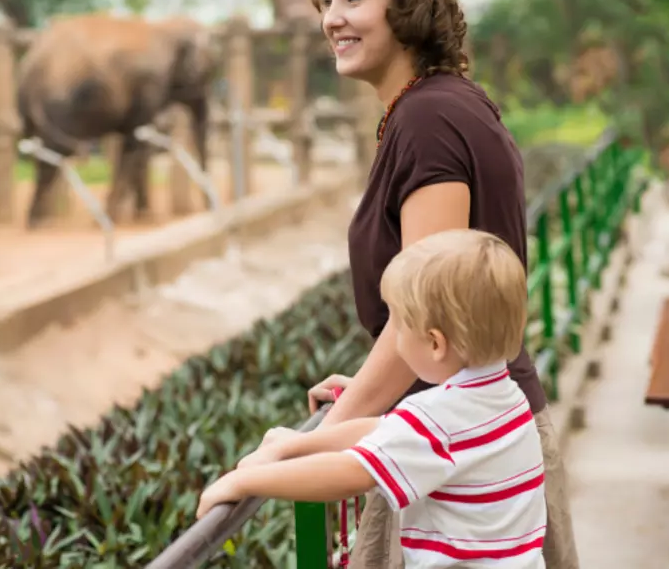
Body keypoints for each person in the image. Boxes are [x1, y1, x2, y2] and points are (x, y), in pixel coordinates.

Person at [265, 0, 578, 568]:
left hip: (458, 460)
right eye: (326, 0)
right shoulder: (445, 106)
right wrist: (376, 397)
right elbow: (440, 328)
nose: (333, 19)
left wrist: (332, 434)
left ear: (408, 5)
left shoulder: (428, 120)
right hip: (472, 431)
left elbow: (427, 309)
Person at [197, 229, 548, 568]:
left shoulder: (438, 417)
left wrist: (242, 482)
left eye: (398, 322)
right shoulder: (504, 397)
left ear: (435, 343)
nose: (392, 337)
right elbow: (385, 429)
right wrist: (297, 445)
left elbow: (352, 472)